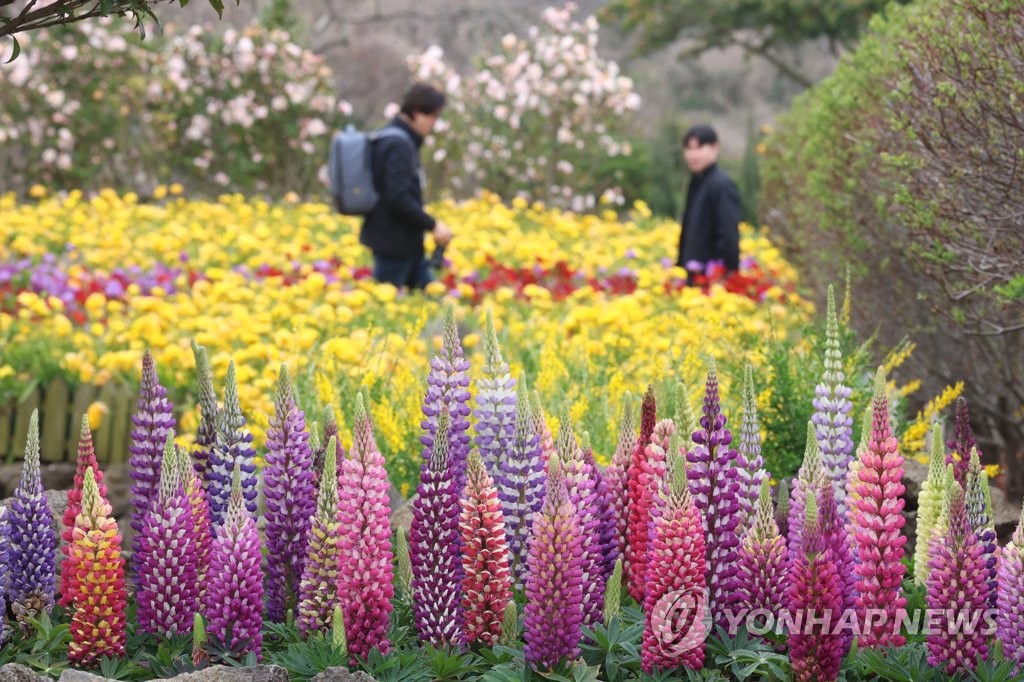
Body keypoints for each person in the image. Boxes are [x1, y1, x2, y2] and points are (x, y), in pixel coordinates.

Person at [360, 83, 453, 290]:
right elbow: (398, 197)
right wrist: (432, 224)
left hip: (403, 242)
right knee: (383, 304)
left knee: (431, 299)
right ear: (418, 113)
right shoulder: (398, 144)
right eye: (433, 117)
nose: (434, 124)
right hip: (394, 242)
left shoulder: (389, 135)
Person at [677, 124, 741, 285]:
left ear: (715, 148)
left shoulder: (721, 184)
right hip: (694, 276)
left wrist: (727, 273)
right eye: (689, 149)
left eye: (699, 148)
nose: (693, 155)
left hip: (713, 278)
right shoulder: (697, 181)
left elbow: (729, 234)